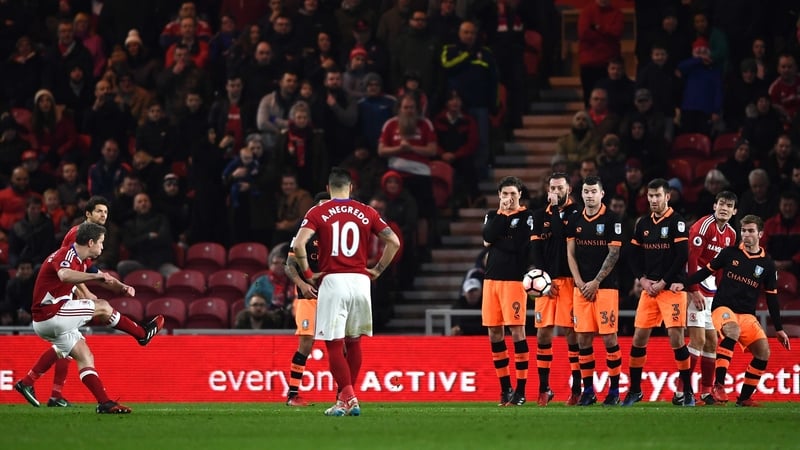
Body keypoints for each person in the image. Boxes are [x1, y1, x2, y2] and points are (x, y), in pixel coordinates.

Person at [13, 222, 164, 413]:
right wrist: (94, 279)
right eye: (101, 242)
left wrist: (122, 287)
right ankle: (141, 334)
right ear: (90, 242)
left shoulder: (83, 260)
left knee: (85, 356)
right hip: (50, 314)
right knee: (102, 307)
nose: (102, 247)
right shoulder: (66, 255)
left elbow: (103, 277)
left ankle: (104, 403)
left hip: (50, 318)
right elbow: (65, 275)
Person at [291, 167, 400, 417]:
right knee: (354, 341)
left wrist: (308, 274)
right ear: (351, 188)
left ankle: (349, 397)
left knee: (333, 344)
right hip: (361, 282)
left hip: (333, 281)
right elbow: (394, 241)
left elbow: (299, 245)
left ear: (328, 189)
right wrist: (378, 270)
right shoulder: (367, 211)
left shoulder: (317, 211)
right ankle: (343, 401)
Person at [682, 215, 791, 406]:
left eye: (750, 231)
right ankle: (718, 385)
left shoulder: (767, 264)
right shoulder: (729, 253)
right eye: (743, 231)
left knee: (763, 352)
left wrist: (779, 329)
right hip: (722, 308)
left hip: (747, 315)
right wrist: (682, 283)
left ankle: (744, 397)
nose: (746, 234)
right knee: (732, 330)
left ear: (760, 234)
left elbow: (772, 298)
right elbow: (705, 272)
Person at [622, 178, 693, 406]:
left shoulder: (676, 222)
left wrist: (664, 282)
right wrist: (642, 279)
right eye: (650, 196)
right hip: (650, 290)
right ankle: (635, 390)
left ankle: (687, 391)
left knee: (676, 338)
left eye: (657, 195)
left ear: (667, 196)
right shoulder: (643, 223)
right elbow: (631, 254)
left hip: (672, 289)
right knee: (638, 338)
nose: (653, 200)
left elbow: (682, 256)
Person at [565, 176, 623, 406]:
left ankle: (614, 391)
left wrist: (596, 281)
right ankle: (588, 391)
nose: (589, 195)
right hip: (581, 288)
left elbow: (614, 253)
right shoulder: (575, 219)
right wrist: (579, 282)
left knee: (609, 338)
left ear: (602, 194)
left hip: (605, 287)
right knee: (583, 339)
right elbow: (570, 253)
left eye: (593, 192)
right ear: (582, 194)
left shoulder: (612, 219)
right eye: (586, 192)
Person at [677, 191, 738, 406]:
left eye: (729, 206)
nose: (724, 208)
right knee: (698, 340)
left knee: (712, 341)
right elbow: (692, 259)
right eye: (721, 204)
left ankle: (705, 392)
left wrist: (723, 293)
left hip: (712, 289)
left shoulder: (731, 234)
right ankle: (681, 390)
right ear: (714, 206)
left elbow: (722, 267)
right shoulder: (703, 226)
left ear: (734, 211)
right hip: (696, 283)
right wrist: (693, 290)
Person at [531, 172, 581, 406]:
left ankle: (577, 388)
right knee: (543, 333)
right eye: (552, 188)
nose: (556, 191)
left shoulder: (576, 212)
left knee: (571, 332)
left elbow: (562, 237)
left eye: (560, 188)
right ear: (547, 189)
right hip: (546, 282)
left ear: (568, 189)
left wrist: (553, 210)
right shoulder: (538, 215)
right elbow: (535, 249)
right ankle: (544, 388)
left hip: (569, 280)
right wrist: (543, 280)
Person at [283, 191, 330, 407]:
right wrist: (302, 285)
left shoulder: (337, 234)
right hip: (307, 296)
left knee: (340, 344)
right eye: (321, 206)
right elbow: (289, 265)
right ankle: (293, 395)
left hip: (333, 295)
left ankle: (343, 395)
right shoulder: (304, 232)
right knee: (306, 344)